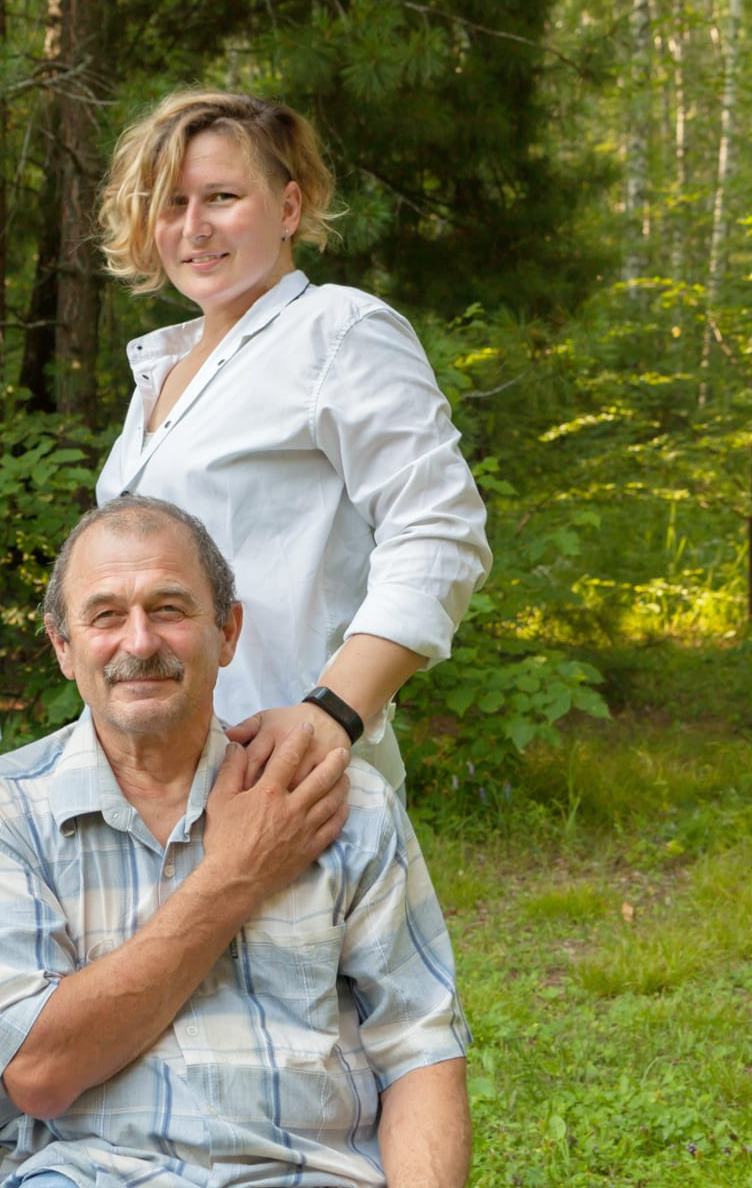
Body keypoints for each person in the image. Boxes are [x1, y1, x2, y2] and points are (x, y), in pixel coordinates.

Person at [0, 497, 498, 1188]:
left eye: (169, 608)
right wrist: (235, 874)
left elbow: (419, 1042)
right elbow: (38, 1071)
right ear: (64, 646)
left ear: (226, 632)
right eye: (105, 615)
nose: (139, 641)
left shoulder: (344, 800)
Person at [95, 90, 491, 793]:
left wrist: (332, 711)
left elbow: (439, 529)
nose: (194, 227)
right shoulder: (163, 368)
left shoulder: (337, 331)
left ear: (288, 208)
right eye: (171, 203)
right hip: (158, 781)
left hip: (290, 771)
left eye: (220, 196)